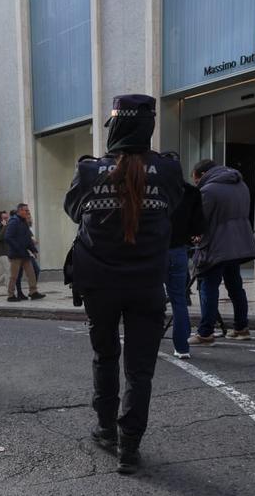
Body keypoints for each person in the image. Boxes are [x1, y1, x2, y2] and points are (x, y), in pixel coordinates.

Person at [65, 94, 183, 474]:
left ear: (114, 127)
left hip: (99, 284)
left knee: (105, 357)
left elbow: (72, 211)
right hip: (147, 283)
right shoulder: (167, 170)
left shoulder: (88, 171)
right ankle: (129, 447)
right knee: (140, 369)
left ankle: (105, 428)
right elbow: (176, 207)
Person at [188, 159, 255, 342]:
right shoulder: (240, 185)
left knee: (208, 288)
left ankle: (205, 332)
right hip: (239, 243)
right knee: (235, 287)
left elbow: (200, 220)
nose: (196, 183)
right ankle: (241, 328)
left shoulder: (208, 190)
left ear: (202, 174)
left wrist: (194, 234)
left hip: (216, 246)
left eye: (196, 179)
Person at [162, 152, 203, 358]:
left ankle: (149, 342)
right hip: (179, 249)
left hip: (155, 250)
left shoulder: (155, 190)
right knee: (179, 298)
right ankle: (182, 347)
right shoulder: (191, 192)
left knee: (151, 296)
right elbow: (198, 226)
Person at [5, 203, 44, 301]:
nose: (27, 212)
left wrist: (33, 250)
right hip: (16, 254)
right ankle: (10, 295)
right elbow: (8, 237)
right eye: (25, 210)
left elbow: (27, 238)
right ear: (20, 211)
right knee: (14, 276)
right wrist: (18, 248)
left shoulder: (24, 222)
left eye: (27, 210)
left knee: (31, 273)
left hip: (24, 254)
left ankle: (33, 292)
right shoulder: (14, 222)